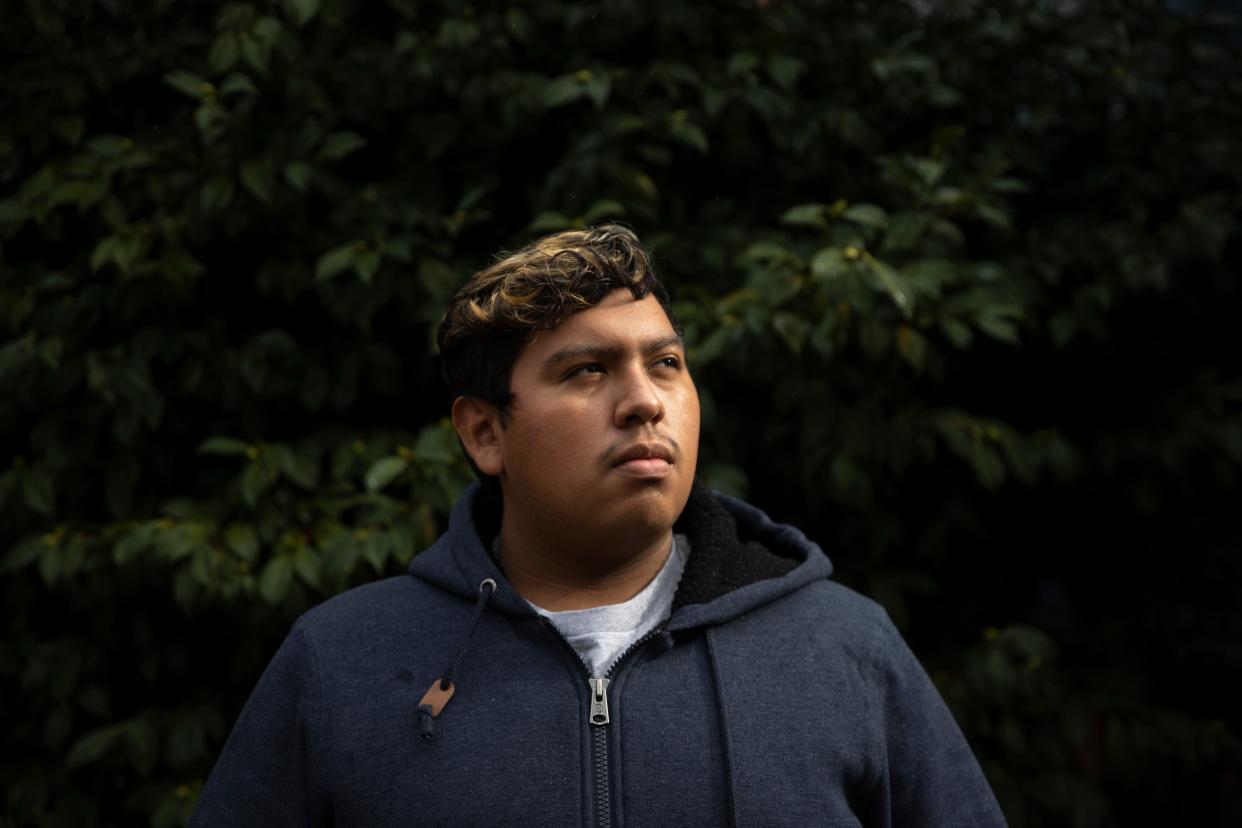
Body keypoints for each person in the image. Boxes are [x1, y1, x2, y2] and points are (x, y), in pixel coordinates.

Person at [192, 225, 1007, 826]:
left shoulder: (843, 648)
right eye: (587, 370)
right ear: (484, 432)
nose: (645, 400)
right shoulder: (342, 661)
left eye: (666, 364)